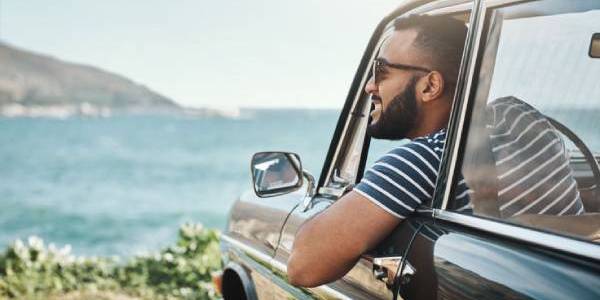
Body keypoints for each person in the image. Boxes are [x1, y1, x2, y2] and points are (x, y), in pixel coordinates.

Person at [286, 14, 469, 287]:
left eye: (381, 73)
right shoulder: (515, 117)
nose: (369, 86)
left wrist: (355, 201)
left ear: (430, 86)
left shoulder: (425, 159)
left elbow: (302, 266)